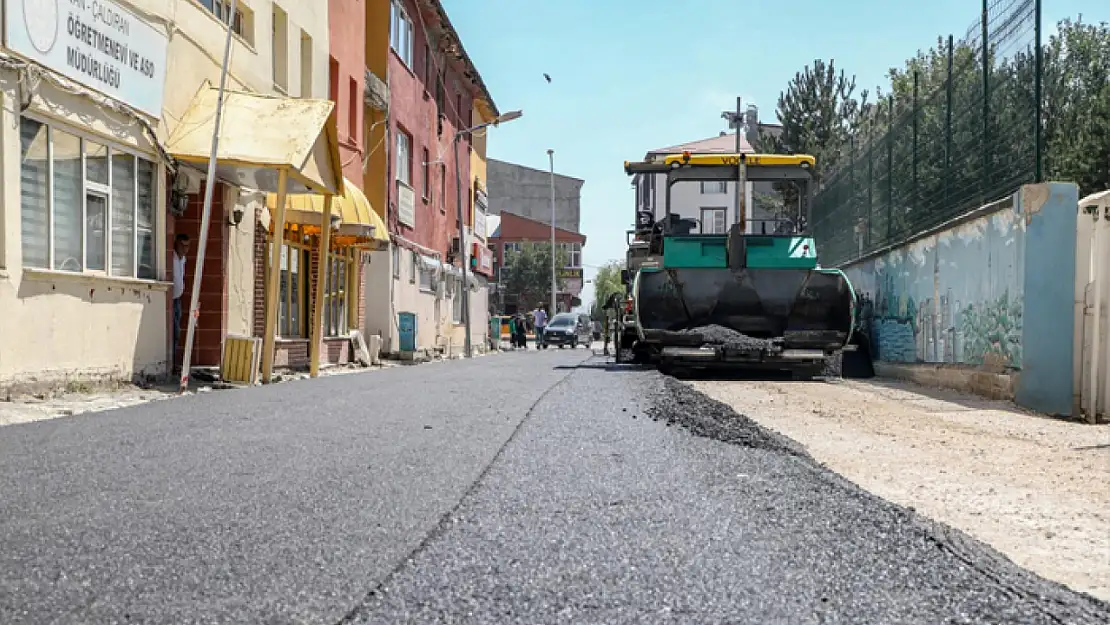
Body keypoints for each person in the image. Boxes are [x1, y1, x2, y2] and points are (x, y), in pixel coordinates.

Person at [172, 233, 190, 372]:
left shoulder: (182, 259)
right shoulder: (171, 257)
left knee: (177, 330)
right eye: (182, 245)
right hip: (171, 300)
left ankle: (175, 361)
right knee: (174, 331)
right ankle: (171, 362)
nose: (185, 249)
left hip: (177, 299)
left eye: (187, 246)